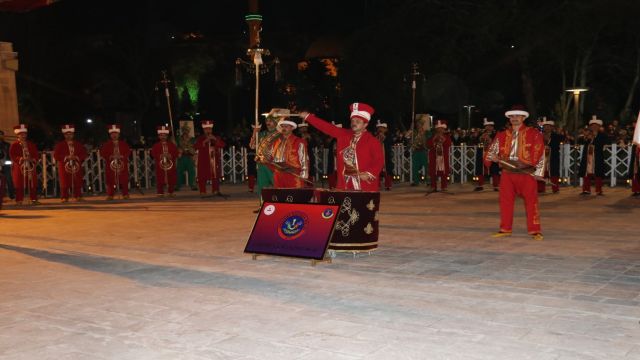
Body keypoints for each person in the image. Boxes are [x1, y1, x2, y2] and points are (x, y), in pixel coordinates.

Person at [485, 105, 545, 241]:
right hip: (507, 173)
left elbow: (540, 153)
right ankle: (505, 228)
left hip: (526, 173)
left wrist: (539, 171)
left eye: (517, 116)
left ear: (523, 117)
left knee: (531, 202)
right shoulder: (501, 135)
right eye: (512, 116)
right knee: (505, 201)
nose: (514, 119)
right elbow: (491, 151)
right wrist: (492, 158)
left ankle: (535, 230)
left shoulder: (534, 133)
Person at [300, 102, 383, 191]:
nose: (354, 123)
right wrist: (308, 117)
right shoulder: (343, 134)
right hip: (345, 183)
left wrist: (369, 173)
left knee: (363, 204)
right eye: (353, 121)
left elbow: (379, 161)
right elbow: (327, 127)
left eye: (358, 121)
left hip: (364, 183)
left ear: (365, 124)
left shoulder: (372, 141)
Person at [269, 117, 309, 188]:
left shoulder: (299, 142)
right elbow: (271, 157)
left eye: (286, 126)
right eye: (282, 126)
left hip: (294, 174)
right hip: (278, 174)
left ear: (292, 128)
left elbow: (304, 160)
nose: (283, 128)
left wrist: (304, 175)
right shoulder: (275, 142)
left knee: (294, 196)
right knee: (280, 196)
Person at [53, 124, 88, 202]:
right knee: (64, 181)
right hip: (64, 165)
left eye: (70, 134)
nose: (69, 136)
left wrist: (77, 157)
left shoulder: (78, 144)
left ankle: (78, 196)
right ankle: (64, 197)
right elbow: (56, 155)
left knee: (77, 180)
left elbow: (84, 154)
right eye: (67, 134)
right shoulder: (60, 145)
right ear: (64, 135)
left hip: (76, 165)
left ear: (73, 134)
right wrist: (66, 157)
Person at [9, 124, 39, 205]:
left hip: (30, 166)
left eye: (24, 134)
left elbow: (36, 154)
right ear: (18, 135)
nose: (23, 135)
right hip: (19, 167)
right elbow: (12, 155)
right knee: (19, 184)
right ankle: (19, 200)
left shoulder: (31, 144)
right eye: (21, 134)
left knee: (32, 182)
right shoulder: (14, 144)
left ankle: (33, 199)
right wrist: (21, 158)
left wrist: (33, 159)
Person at [194, 120, 226, 197]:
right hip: (203, 160)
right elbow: (195, 146)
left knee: (215, 175)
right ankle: (202, 191)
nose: (208, 130)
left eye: (209, 129)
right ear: (203, 130)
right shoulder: (200, 138)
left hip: (214, 161)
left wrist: (215, 139)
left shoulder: (216, 137)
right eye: (206, 129)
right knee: (202, 175)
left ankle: (215, 190)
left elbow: (223, 145)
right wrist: (204, 142)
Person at [100, 124, 131, 200]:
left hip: (122, 164)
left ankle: (125, 194)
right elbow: (103, 153)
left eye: (116, 134)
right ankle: (110, 194)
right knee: (110, 179)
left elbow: (128, 152)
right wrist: (110, 156)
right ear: (110, 135)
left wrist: (122, 156)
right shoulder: (106, 144)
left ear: (119, 134)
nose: (114, 135)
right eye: (112, 134)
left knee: (124, 179)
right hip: (110, 165)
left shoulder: (124, 144)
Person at [578, 116, 607, 195]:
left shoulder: (602, 135)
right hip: (587, 157)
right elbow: (580, 141)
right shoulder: (587, 134)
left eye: (596, 125)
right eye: (592, 126)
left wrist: (595, 137)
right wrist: (586, 137)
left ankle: (599, 190)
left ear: (599, 126)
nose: (594, 127)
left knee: (598, 174)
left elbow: (603, 142)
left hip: (597, 157)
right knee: (586, 173)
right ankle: (586, 190)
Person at [150, 125, 179, 197]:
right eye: (161, 135)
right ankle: (160, 192)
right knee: (160, 177)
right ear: (159, 136)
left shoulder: (172, 144)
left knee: (171, 177)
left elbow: (176, 153)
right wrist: (160, 156)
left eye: (164, 135)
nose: (163, 137)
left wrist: (171, 155)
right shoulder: (156, 145)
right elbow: (153, 153)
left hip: (170, 164)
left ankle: (170, 192)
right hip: (160, 164)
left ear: (167, 136)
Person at [538, 117, 563, 194]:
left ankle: (555, 188)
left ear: (552, 127)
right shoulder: (539, 136)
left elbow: (561, 141)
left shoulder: (556, 136)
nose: (547, 128)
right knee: (541, 172)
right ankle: (540, 188)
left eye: (549, 126)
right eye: (545, 126)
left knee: (554, 173)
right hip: (542, 157)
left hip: (553, 157)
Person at [474, 118, 500, 191]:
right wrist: (479, 138)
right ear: (485, 126)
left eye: (490, 126)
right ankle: (480, 185)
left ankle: (495, 186)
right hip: (481, 152)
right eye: (487, 126)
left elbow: (498, 142)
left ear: (492, 127)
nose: (489, 127)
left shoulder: (496, 134)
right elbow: (475, 142)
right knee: (480, 168)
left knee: (494, 169)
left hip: (492, 152)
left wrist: (490, 139)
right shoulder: (480, 134)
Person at [426, 120, 452, 192]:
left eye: (441, 129)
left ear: (444, 129)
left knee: (444, 172)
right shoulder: (432, 136)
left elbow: (448, 144)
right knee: (433, 171)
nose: (440, 130)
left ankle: (444, 186)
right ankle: (433, 186)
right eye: (438, 129)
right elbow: (428, 145)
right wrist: (434, 139)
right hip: (434, 157)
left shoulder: (447, 136)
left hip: (443, 157)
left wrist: (443, 139)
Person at [176, 122, 197, 191]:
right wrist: (178, 150)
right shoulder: (178, 139)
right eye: (184, 130)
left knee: (191, 171)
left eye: (187, 130)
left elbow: (195, 148)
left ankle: (193, 185)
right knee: (179, 171)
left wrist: (194, 154)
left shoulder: (192, 139)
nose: (185, 132)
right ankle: (178, 185)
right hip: (181, 157)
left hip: (190, 156)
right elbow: (175, 147)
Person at [411, 114, 430, 186]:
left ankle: (428, 180)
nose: (418, 125)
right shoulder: (414, 132)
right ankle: (416, 181)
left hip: (424, 151)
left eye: (420, 124)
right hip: (416, 151)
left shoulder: (426, 132)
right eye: (417, 124)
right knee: (415, 167)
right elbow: (407, 137)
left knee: (427, 167)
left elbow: (429, 139)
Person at [375, 120, 394, 190]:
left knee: (387, 170)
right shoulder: (376, 136)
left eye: (381, 128)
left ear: (385, 129)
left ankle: (388, 185)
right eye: (379, 128)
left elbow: (390, 142)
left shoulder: (388, 136)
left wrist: (384, 138)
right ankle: (377, 185)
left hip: (386, 155)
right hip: (377, 156)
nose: (379, 129)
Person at [0, 130, 15, 200]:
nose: (0, 136)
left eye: (1, 135)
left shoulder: (7, 144)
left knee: (9, 179)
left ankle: (11, 194)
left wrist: (9, 162)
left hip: (6, 164)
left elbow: (10, 154)